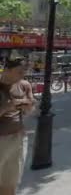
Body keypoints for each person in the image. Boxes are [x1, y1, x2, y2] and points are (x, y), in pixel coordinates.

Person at [0, 57, 35, 195]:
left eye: (24, 72)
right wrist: (8, 106)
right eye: (19, 72)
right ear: (7, 70)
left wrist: (29, 106)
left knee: (11, 181)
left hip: (18, 139)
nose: (22, 75)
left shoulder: (24, 85)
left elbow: (29, 111)